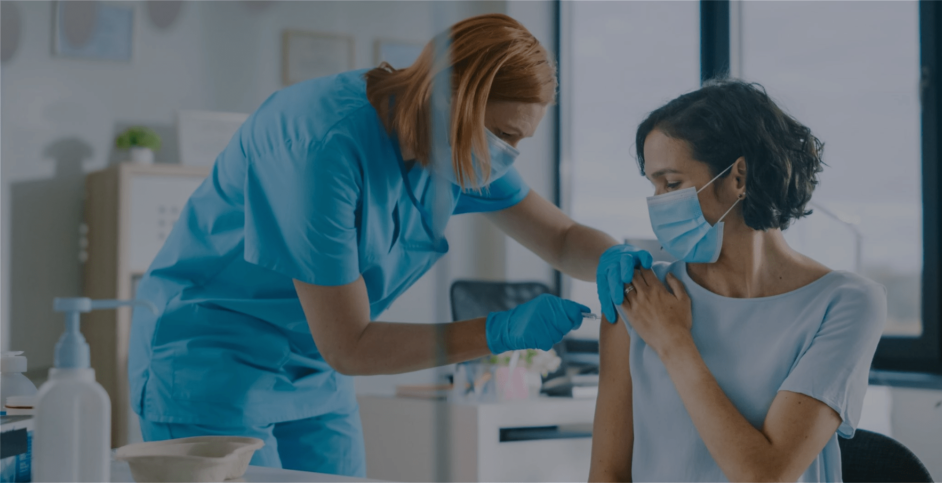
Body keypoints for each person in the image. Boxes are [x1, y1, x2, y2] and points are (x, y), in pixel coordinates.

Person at [128, 14, 648, 476]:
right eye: (502, 135)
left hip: (316, 370)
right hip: (212, 360)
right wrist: (500, 331)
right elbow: (350, 343)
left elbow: (558, 236)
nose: (506, 155)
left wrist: (610, 257)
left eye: (520, 141)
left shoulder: (456, 147)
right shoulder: (321, 144)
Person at [588, 80, 887, 482]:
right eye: (653, 186)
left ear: (738, 176)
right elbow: (607, 475)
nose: (657, 202)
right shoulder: (639, 296)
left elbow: (766, 474)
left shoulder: (846, 303)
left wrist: (674, 342)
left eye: (672, 183)